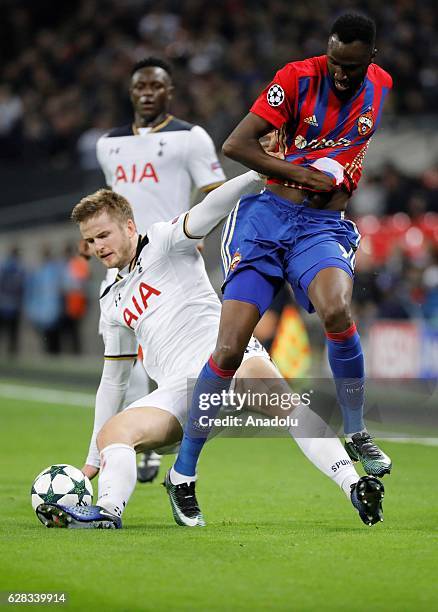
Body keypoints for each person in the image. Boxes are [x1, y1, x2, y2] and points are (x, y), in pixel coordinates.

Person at [170, 13, 393, 520]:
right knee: (228, 350)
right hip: (265, 221)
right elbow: (236, 145)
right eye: (335, 62)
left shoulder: (380, 88)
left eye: (351, 67)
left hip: (320, 228)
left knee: (337, 311)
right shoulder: (296, 78)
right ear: (327, 52)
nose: (341, 73)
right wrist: (301, 172)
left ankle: (356, 430)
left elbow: (351, 147)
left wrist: (337, 177)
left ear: (370, 61)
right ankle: (183, 473)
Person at [95, 56, 225, 482]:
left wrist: (197, 229)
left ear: (170, 92)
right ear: (130, 93)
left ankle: (159, 444)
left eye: (156, 86)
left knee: (163, 361)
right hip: (119, 268)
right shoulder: (108, 144)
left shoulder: (190, 137)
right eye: (140, 87)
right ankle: (138, 443)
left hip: (169, 261)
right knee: (121, 364)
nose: (147, 93)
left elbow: (215, 191)